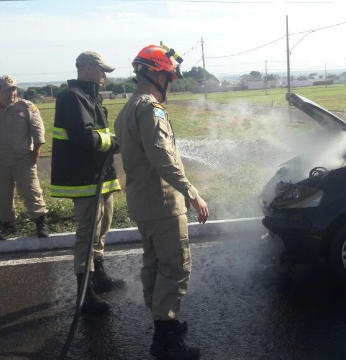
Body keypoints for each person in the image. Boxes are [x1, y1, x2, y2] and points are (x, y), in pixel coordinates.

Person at [115, 44, 209, 360]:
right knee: (176, 267)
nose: (170, 83)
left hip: (143, 204)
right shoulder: (150, 108)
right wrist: (192, 193)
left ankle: (162, 320)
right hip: (163, 203)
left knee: (155, 264)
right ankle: (165, 341)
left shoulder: (127, 108)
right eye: (169, 76)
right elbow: (163, 159)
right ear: (156, 73)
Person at [51, 51, 124, 315]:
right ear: (89, 68)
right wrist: (115, 143)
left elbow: (97, 133)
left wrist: (111, 140)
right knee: (87, 234)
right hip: (84, 179)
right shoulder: (71, 97)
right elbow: (84, 137)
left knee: (102, 227)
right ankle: (85, 292)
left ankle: (99, 276)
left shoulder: (90, 96)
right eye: (102, 70)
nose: (105, 75)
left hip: (99, 176)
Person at [0, 75, 49, 240]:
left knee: (31, 191)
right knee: (2, 194)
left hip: (22, 159)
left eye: (14, 89)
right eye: (9, 89)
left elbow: (38, 132)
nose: (13, 93)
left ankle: (40, 222)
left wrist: (35, 154)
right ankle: (8, 225)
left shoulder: (26, 107)